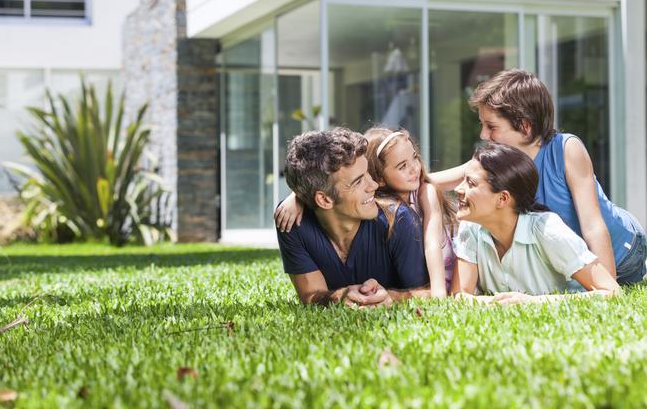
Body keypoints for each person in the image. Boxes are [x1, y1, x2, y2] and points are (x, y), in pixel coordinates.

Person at [434, 69, 646, 285]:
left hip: (622, 253)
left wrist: (606, 285)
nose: (483, 135)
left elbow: (593, 226)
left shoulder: (566, 150)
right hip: (574, 259)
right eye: (483, 125)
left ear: (525, 127)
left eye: (492, 126)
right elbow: (451, 176)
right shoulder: (499, 158)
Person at [276, 126, 457, 298]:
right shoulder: (291, 220)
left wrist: (391, 298)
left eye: (368, 174)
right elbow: (310, 296)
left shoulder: (400, 217)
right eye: (358, 181)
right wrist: (340, 297)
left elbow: (428, 294)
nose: (374, 185)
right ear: (323, 200)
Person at [452, 142, 620, 304]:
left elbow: (612, 292)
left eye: (471, 183)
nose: (457, 189)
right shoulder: (471, 226)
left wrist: (533, 302)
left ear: (502, 198)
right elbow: (460, 296)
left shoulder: (548, 230)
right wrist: (494, 302)